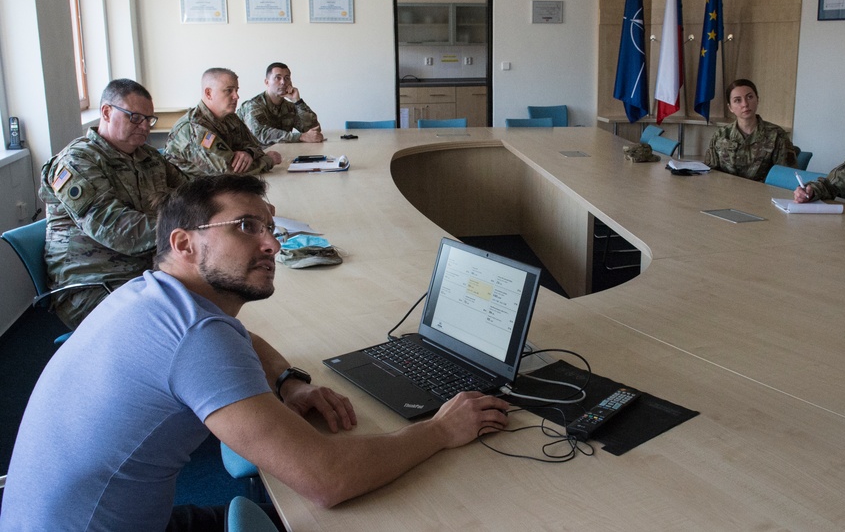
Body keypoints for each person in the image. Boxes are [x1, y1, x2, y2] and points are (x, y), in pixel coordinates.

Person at [0, 174, 510, 532]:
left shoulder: (151, 295)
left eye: (270, 227)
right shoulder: (195, 336)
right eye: (246, 226)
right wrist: (441, 429)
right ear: (183, 242)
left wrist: (290, 380)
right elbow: (327, 479)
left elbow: (238, 338)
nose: (272, 244)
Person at [37, 78, 189, 329]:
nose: (144, 127)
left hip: (146, 269)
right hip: (94, 284)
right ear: (106, 112)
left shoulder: (147, 156)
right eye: (135, 117)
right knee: (173, 327)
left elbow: (190, 191)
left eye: (149, 120)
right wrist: (193, 232)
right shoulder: (76, 162)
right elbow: (117, 230)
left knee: (216, 293)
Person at [164, 68, 281, 177]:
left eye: (236, 90)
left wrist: (248, 153)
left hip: (219, 188)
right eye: (229, 90)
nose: (236, 96)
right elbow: (231, 172)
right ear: (208, 93)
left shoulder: (229, 117)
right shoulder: (194, 129)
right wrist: (267, 160)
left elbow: (256, 146)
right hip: (193, 194)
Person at [704, 79, 797, 182]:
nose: (745, 104)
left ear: (757, 99)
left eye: (749, 97)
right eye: (737, 100)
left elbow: (787, 177)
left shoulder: (776, 134)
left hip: (762, 195)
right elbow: (710, 172)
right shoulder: (720, 135)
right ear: (730, 107)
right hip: (726, 193)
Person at [237, 62, 324, 146]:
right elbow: (260, 133)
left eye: (287, 78)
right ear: (267, 82)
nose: (283, 82)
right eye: (278, 78)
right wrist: (300, 136)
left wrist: (297, 102)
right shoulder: (253, 105)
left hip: (279, 153)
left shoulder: (289, 107)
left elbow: (313, 130)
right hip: (250, 156)